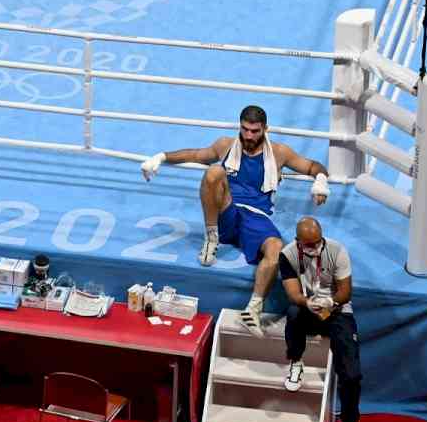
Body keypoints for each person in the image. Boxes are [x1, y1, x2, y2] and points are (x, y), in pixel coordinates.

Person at [140, 105, 330, 337]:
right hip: (226, 210)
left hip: (257, 216)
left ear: (265, 129)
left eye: (255, 131)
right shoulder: (225, 145)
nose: (249, 136)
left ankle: (253, 309)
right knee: (214, 172)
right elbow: (195, 155)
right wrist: (160, 157)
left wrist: (320, 180)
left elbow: (312, 166)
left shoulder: (280, 152)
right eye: (245, 129)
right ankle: (211, 239)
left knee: (276, 248)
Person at [278, 216, 362, 422]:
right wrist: (309, 302)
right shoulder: (288, 254)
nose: (315, 248)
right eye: (309, 244)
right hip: (308, 308)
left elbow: (346, 292)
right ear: (298, 242)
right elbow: (293, 293)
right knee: (293, 312)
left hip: (337, 311)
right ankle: (296, 361)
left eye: (318, 242)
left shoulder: (337, 251)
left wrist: (330, 301)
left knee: (352, 375)